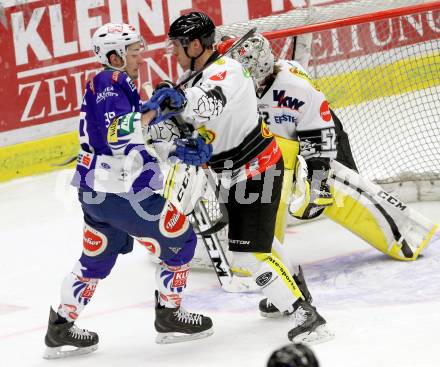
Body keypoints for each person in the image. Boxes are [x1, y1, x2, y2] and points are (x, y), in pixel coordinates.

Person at [151, 11, 332, 344]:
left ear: (194, 44)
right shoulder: (195, 78)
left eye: (177, 45)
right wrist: (158, 132)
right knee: (264, 243)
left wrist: (179, 102)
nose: (173, 52)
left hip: (257, 169)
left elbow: (205, 107)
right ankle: (296, 288)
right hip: (233, 174)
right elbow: (185, 125)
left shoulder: (229, 71)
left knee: (247, 253)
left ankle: (304, 315)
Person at [43, 23, 214, 359]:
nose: (139, 58)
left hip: (96, 194)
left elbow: (133, 144)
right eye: (134, 53)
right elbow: (118, 136)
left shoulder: (111, 84)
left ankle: (60, 326)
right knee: (181, 238)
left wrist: (174, 150)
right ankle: (170, 316)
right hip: (123, 194)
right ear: (114, 56)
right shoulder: (111, 82)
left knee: (94, 261)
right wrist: (157, 109)